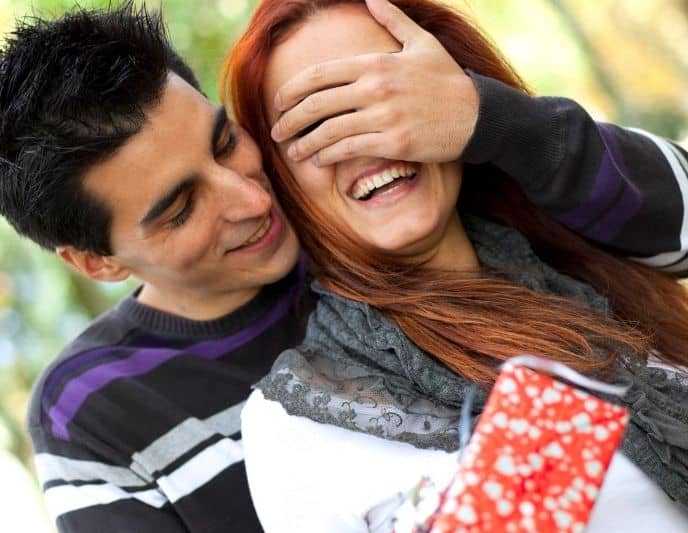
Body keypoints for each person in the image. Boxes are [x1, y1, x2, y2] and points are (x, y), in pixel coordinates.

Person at [0, 2, 685, 532]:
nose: (250, 199)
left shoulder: (419, 221)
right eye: (180, 208)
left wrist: (484, 117)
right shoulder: (101, 411)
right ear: (97, 260)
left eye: (225, 144)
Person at [223, 0, 688, 531]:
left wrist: (497, 120)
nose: (367, 142)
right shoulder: (292, 427)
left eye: (387, 96)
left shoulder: (578, 238)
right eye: (318, 127)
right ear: (283, 182)